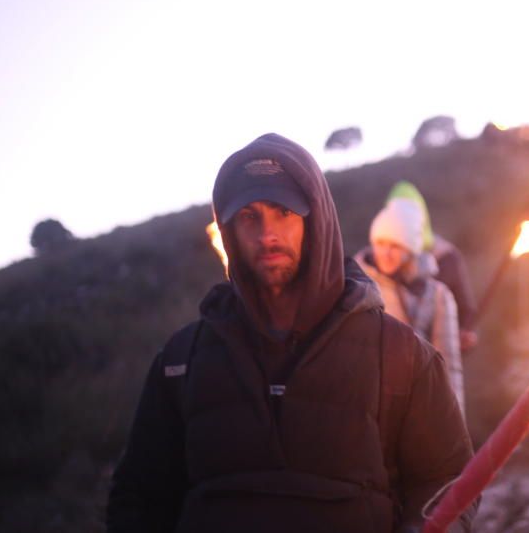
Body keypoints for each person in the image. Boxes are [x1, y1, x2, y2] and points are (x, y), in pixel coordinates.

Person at [107, 133, 475, 533]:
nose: (267, 234)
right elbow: (139, 498)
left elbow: (448, 481)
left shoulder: (402, 356)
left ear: (314, 220)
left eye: (283, 211)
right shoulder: (182, 362)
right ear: (229, 230)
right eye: (250, 216)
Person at [355, 198, 465, 411]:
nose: (386, 253)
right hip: (366, 408)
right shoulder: (355, 287)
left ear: (411, 249)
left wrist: (454, 420)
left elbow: (448, 367)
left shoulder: (437, 295)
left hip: (417, 408)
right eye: (380, 243)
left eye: (396, 246)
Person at [387, 181, 480, 352]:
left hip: (438, 359)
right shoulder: (383, 264)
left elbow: (466, 311)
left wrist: (464, 334)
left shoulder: (447, 258)